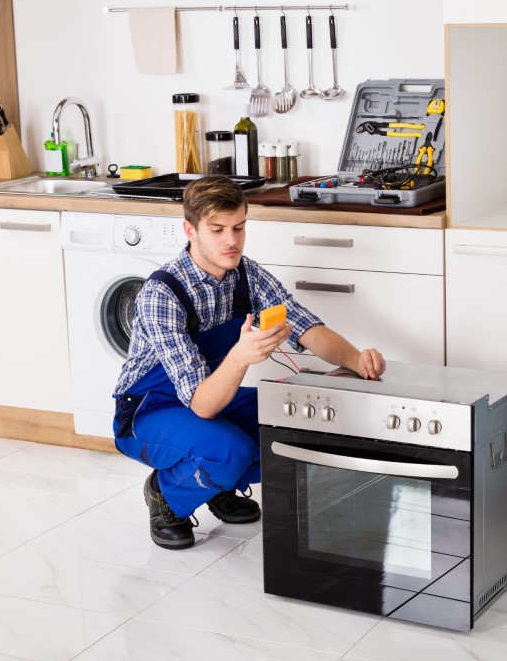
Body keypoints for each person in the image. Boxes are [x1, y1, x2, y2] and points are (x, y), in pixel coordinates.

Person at [111, 175, 386, 550]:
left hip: (207, 397)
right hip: (149, 409)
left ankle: (215, 484)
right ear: (190, 230)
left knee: (297, 421)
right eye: (218, 229)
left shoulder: (247, 275)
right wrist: (240, 356)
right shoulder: (162, 294)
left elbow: (306, 328)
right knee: (228, 450)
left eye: (239, 227)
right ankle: (166, 493)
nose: (232, 241)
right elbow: (203, 405)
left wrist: (358, 359)